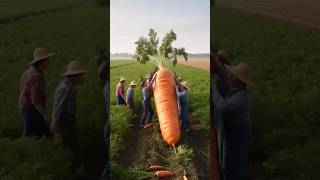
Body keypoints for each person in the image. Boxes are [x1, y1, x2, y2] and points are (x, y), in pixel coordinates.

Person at [212, 61, 254, 180]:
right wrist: (214, 59)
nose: (229, 76)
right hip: (232, 130)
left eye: (233, 75)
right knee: (229, 162)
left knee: (236, 165)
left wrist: (214, 88)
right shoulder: (234, 86)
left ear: (239, 80)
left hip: (239, 132)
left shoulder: (241, 96)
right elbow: (224, 74)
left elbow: (222, 106)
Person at [50, 61, 86, 166]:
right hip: (65, 121)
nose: (81, 77)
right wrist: (54, 125)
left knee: (69, 145)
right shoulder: (68, 89)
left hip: (67, 120)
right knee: (69, 146)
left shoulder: (65, 85)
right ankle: (71, 168)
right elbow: (59, 109)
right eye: (80, 75)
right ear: (74, 76)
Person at [19, 47, 54, 138]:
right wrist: (45, 115)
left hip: (25, 107)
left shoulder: (28, 72)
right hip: (32, 109)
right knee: (35, 135)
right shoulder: (36, 76)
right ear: (42, 61)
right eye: (47, 59)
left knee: (32, 133)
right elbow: (36, 101)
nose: (48, 62)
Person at [212, 49, 233, 176]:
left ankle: (223, 172)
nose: (217, 63)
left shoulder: (225, 75)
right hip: (218, 114)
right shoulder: (217, 75)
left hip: (223, 115)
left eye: (219, 60)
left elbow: (221, 104)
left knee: (223, 148)